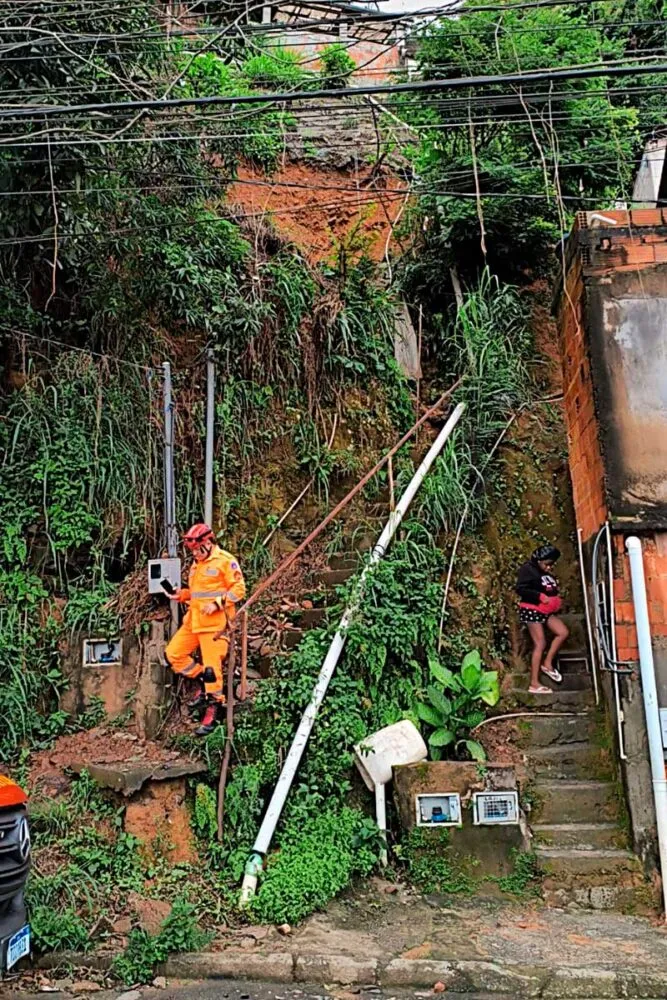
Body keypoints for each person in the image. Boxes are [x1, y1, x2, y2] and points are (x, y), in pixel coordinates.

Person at [164, 523, 246, 735]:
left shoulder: (225, 561)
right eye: (192, 551)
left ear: (208, 543)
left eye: (198, 550)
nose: (196, 554)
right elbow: (197, 593)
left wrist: (218, 603)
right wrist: (181, 594)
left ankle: (213, 707)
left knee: (213, 669)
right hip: (194, 622)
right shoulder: (195, 565)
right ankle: (201, 679)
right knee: (174, 654)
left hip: (215, 625)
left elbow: (239, 590)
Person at [515, 544, 569, 695]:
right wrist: (539, 596)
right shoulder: (528, 569)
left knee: (562, 632)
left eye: (551, 565)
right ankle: (534, 683)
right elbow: (520, 588)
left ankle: (547, 664)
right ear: (539, 560)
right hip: (531, 609)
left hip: (546, 611)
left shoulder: (546, 573)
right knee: (540, 643)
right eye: (547, 564)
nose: (549, 568)